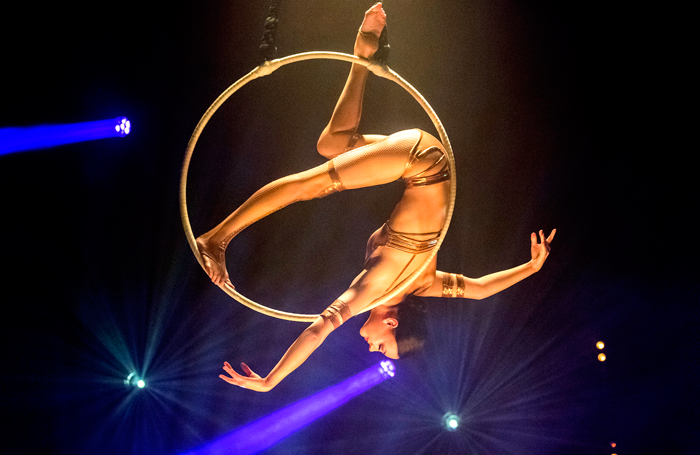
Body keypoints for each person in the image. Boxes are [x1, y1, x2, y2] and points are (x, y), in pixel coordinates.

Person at [196, 3, 555, 392]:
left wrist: (530, 270)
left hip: (427, 164)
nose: (372, 349)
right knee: (311, 185)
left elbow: (480, 289)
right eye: (384, 348)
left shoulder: (424, 284)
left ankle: (363, 52)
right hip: (422, 163)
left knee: (332, 145)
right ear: (392, 323)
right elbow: (318, 331)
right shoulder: (377, 289)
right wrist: (271, 381)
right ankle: (216, 238)